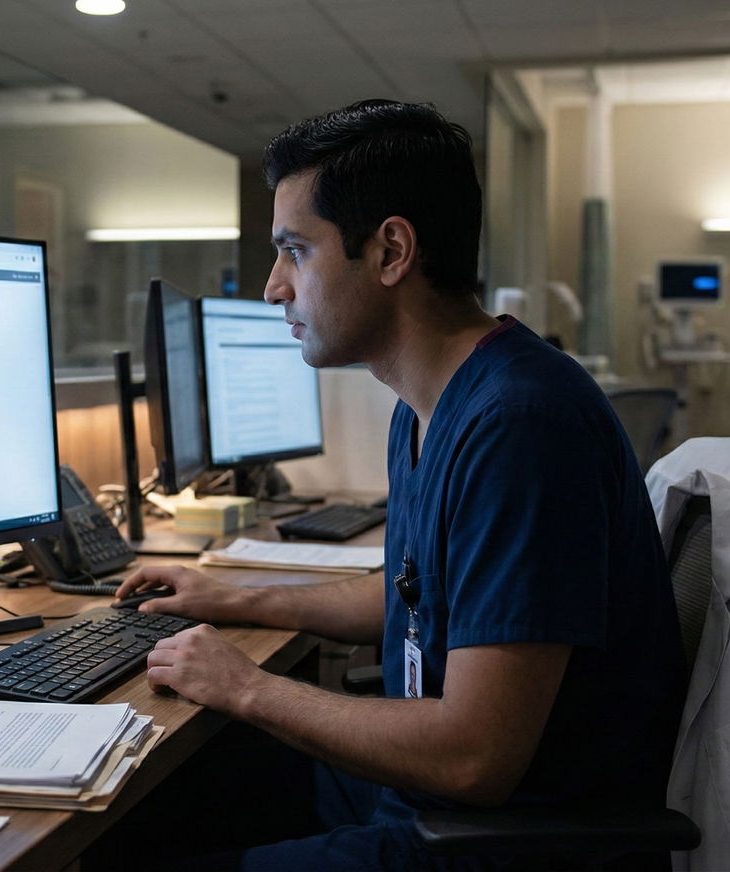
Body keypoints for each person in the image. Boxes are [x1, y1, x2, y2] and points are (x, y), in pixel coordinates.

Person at [113, 99, 685, 870]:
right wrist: (236, 600)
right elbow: (416, 592)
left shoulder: (520, 424)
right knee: (157, 806)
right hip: (423, 801)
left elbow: (474, 757)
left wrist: (247, 687)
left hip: (494, 842)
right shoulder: (428, 405)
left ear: (391, 251)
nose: (274, 288)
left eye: (295, 252)